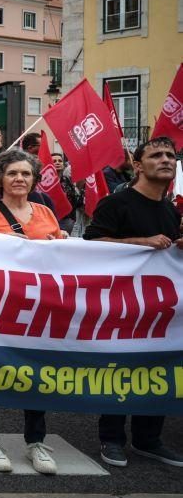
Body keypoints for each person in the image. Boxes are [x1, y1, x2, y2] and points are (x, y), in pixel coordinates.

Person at [84, 136, 183, 468]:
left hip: (158, 310)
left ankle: (148, 439)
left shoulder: (170, 210)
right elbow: (92, 245)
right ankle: (111, 438)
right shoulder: (117, 204)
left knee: (157, 369)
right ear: (138, 165)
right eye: (156, 155)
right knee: (120, 369)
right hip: (120, 304)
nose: (166, 159)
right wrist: (139, 242)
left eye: (170, 155)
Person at [0, 149, 62, 474]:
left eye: (25, 173)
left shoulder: (46, 213)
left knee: (35, 373)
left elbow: (60, 254)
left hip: (37, 310)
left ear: (34, 179)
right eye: (12, 174)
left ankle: (36, 441)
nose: (19, 179)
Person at [51, 152, 81, 234]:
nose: (57, 163)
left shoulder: (66, 180)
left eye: (60, 161)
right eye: (54, 161)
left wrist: (72, 218)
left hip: (66, 219)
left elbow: (74, 199)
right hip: (51, 219)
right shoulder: (44, 182)